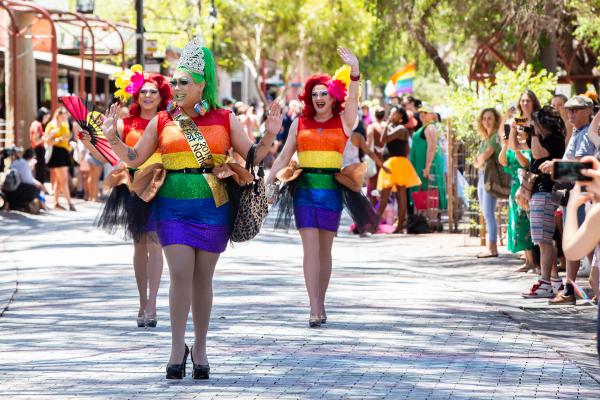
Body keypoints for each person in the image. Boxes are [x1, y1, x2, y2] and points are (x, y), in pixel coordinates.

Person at [102, 38, 282, 380]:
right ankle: (175, 347)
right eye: (174, 82)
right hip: (171, 206)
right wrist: (112, 136)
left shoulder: (225, 118)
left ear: (202, 84)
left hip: (213, 206)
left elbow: (253, 156)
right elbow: (134, 158)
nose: (176, 87)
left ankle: (199, 346)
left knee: (203, 279)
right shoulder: (162, 121)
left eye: (184, 82)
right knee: (180, 273)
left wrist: (270, 135)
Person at [266, 48, 376, 328]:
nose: (318, 98)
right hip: (303, 189)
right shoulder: (299, 123)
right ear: (308, 97)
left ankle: (321, 301)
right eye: (314, 94)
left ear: (332, 97)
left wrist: (355, 71)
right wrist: (267, 183)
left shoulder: (344, 121)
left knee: (325, 251)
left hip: (331, 190)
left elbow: (352, 100)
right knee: (309, 249)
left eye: (323, 93)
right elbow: (281, 157)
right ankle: (314, 307)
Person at [84, 70, 172, 328]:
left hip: (162, 186)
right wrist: (90, 142)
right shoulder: (125, 123)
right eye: (143, 91)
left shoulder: (169, 122)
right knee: (139, 246)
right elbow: (108, 156)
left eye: (153, 91)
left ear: (161, 95)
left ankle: (153, 305)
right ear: (137, 95)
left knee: (155, 242)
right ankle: (142, 302)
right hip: (134, 187)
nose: (147, 95)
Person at [542, 95, 596, 304]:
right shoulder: (577, 132)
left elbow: (582, 167)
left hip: (582, 195)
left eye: (575, 110)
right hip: (575, 195)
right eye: (568, 109)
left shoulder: (585, 134)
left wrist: (556, 166)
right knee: (585, 245)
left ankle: (571, 289)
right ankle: (572, 288)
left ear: (587, 111)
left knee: (580, 242)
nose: (570, 113)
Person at [514, 100, 566, 298]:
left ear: (543, 124)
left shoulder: (554, 139)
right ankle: (552, 281)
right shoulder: (540, 138)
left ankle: (544, 282)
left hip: (547, 191)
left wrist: (534, 133)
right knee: (543, 239)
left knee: (543, 240)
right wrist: (513, 129)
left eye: (535, 122)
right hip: (538, 192)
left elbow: (536, 153)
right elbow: (513, 146)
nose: (532, 126)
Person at [498, 110, 535, 271]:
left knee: (526, 224)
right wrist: (506, 144)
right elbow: (503, 162)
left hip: (526, 188)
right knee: (518, 224)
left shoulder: (527, 148)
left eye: (518, 130)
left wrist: (516, 148)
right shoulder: (512, 147)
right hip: (515, 189)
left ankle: (533, 262)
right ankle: (528, 261)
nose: (516, 133)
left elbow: (525, 163)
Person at [375, 106, 421, 233]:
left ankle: (400, 225)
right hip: (391, 163)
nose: (391, 115)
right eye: (391, 113)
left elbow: (383, 140)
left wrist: (388, 123)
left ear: (401, 117)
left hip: (399, 163)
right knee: (385, 194)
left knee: (400, 194)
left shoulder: (401, 129)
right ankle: (376, 223)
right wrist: (388, 124)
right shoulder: (392, 127)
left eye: (394, 113)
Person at [473, 108, 502, 258]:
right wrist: (479, 160)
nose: (486, 121)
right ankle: (490, 247)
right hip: (482, 176)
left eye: (489, 118)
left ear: (495, 119)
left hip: (490, 178)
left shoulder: (495, 138)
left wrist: (479, 159)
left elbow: (482, 158)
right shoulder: (486, 138)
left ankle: (492, 248)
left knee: (489, 213)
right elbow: (477, 162)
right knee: (486, 213)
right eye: (484, 118)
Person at [408, 103, 447, 214]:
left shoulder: (430, 127)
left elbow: (432, 147)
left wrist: (427, 167)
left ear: (432, 115)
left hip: (427, 165)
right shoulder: (427, 127)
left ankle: (431, 220)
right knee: (426, 191)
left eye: (425, 112)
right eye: (421, 112)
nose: (422, 114)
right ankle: (427, 219)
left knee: (430, 191)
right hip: (422, 164)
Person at [44, 107, 75, 211]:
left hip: (64, 152)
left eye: (65, 114)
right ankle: (70, 203)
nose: (64, 116)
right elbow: (46, 140)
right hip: (56, 153)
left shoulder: (65, 125)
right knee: (64, 179)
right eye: (62, 114)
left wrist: (67, 139)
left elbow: (68, 136)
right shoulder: (51, 125)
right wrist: (58, 139)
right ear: (57, 114)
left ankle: (56, 203)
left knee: (59, 180)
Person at [4, 148, 45, 212]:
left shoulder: (18, 161)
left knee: (33, 187)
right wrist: (39, 185)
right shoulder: (25, 164)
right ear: (32, 158)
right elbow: (27, 180)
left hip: (8, 190)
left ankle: (16, 204)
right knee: (34, 189)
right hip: (14, 191)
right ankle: (18, 205)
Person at [366, 106, 387, 204]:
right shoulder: (387, 126)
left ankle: (374, 208)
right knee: (386, 183)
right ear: (384, 116)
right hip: (387, 158)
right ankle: (385, 210)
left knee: (374, 183)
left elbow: (368, 144)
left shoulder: (371, 127)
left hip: (375, 158)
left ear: (375, 115)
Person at [29, 107, 51, 184]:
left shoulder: (35, 124)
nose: (47, 120)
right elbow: (36, 141)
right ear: (42, 116)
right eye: (46, 117)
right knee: (40, 172)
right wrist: (47, 137)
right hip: (38, 150)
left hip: (38, 150)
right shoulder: (37, 125)